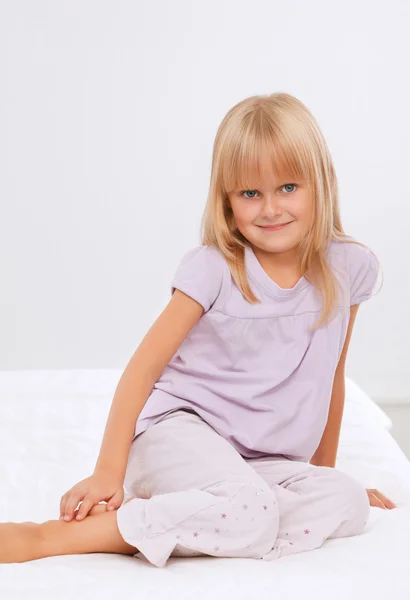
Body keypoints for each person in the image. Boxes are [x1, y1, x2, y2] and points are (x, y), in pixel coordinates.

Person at [0, 92, 397, 567]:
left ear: (321, 183)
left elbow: (329, 373)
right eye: (250, 193)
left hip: (262, 461)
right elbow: (142, 371)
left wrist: (316, 476)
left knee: (348, 502)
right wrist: (109, 472)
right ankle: (58, 538)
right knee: (249, 513)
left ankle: (217, 515)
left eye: (289, 187)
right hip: (178, 434)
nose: (270, 208)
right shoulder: (214, 269)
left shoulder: (350, 267)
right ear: (227, 201)